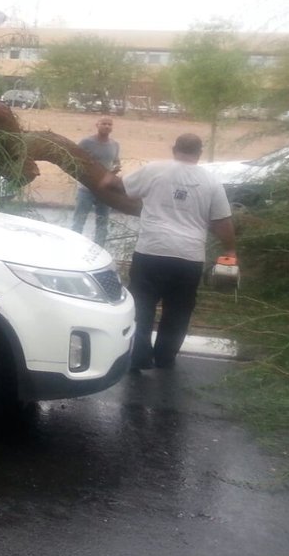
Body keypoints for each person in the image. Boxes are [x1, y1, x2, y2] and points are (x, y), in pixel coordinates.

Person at [117, 133, 236, 370]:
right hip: (188, 257)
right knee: (179, 310)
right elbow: (222, 221)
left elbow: (120, 187)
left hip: (151, 251)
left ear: (174, 149)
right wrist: (230, 249)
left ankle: (139, 356)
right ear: (199, 153)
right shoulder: (211, 181)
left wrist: (109, 177)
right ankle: (165, 357)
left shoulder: (154, 169)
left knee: (142, 304)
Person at [70, 116, 121, 246]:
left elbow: (116, 162)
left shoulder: (115, 145)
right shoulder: (86, 142)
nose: (107, 126)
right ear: (97, 125)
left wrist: (115, 170)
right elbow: (74, 158)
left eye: (110, 124)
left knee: (102, 222)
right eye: (104, 123)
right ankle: (73, 246)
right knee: (79, 220)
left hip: (105, 190)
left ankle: (99, 249)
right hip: (86, 188)